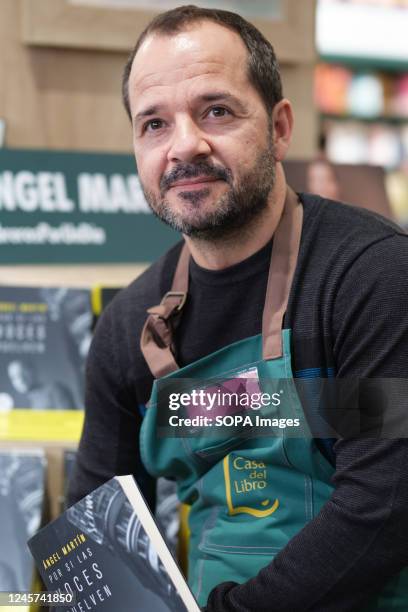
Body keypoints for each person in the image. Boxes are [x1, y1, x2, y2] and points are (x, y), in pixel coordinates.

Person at [67, 5, 408, 611]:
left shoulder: (371, 275)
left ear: (280, 128)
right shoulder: (129, 328)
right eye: (154, 124)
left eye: (215, 111)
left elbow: (383, 503)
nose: (184, 146)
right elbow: (95, 535)